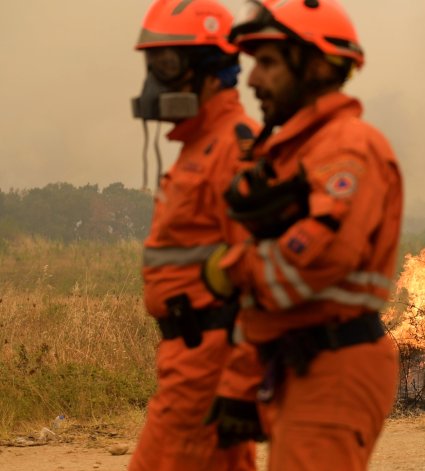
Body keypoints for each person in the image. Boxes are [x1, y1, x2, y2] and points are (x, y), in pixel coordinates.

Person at [201, 0, 403, 469]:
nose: (251, 80)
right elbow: (265, 302)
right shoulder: (295, 153)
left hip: (334, 367)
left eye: (268, 63)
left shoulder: (348, 147)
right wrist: (238, 385)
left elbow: (317, 260)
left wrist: (229, 269)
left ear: (315, 66)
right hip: (294, 364)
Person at [129, 1, 262, 469]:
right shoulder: (197, 146)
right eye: (153, 65)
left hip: (209, 365)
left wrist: (241, 383)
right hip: (188, 362)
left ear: (211, 72)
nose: (156, 82)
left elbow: (259, 274)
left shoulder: (235, 147)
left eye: (168, 65)